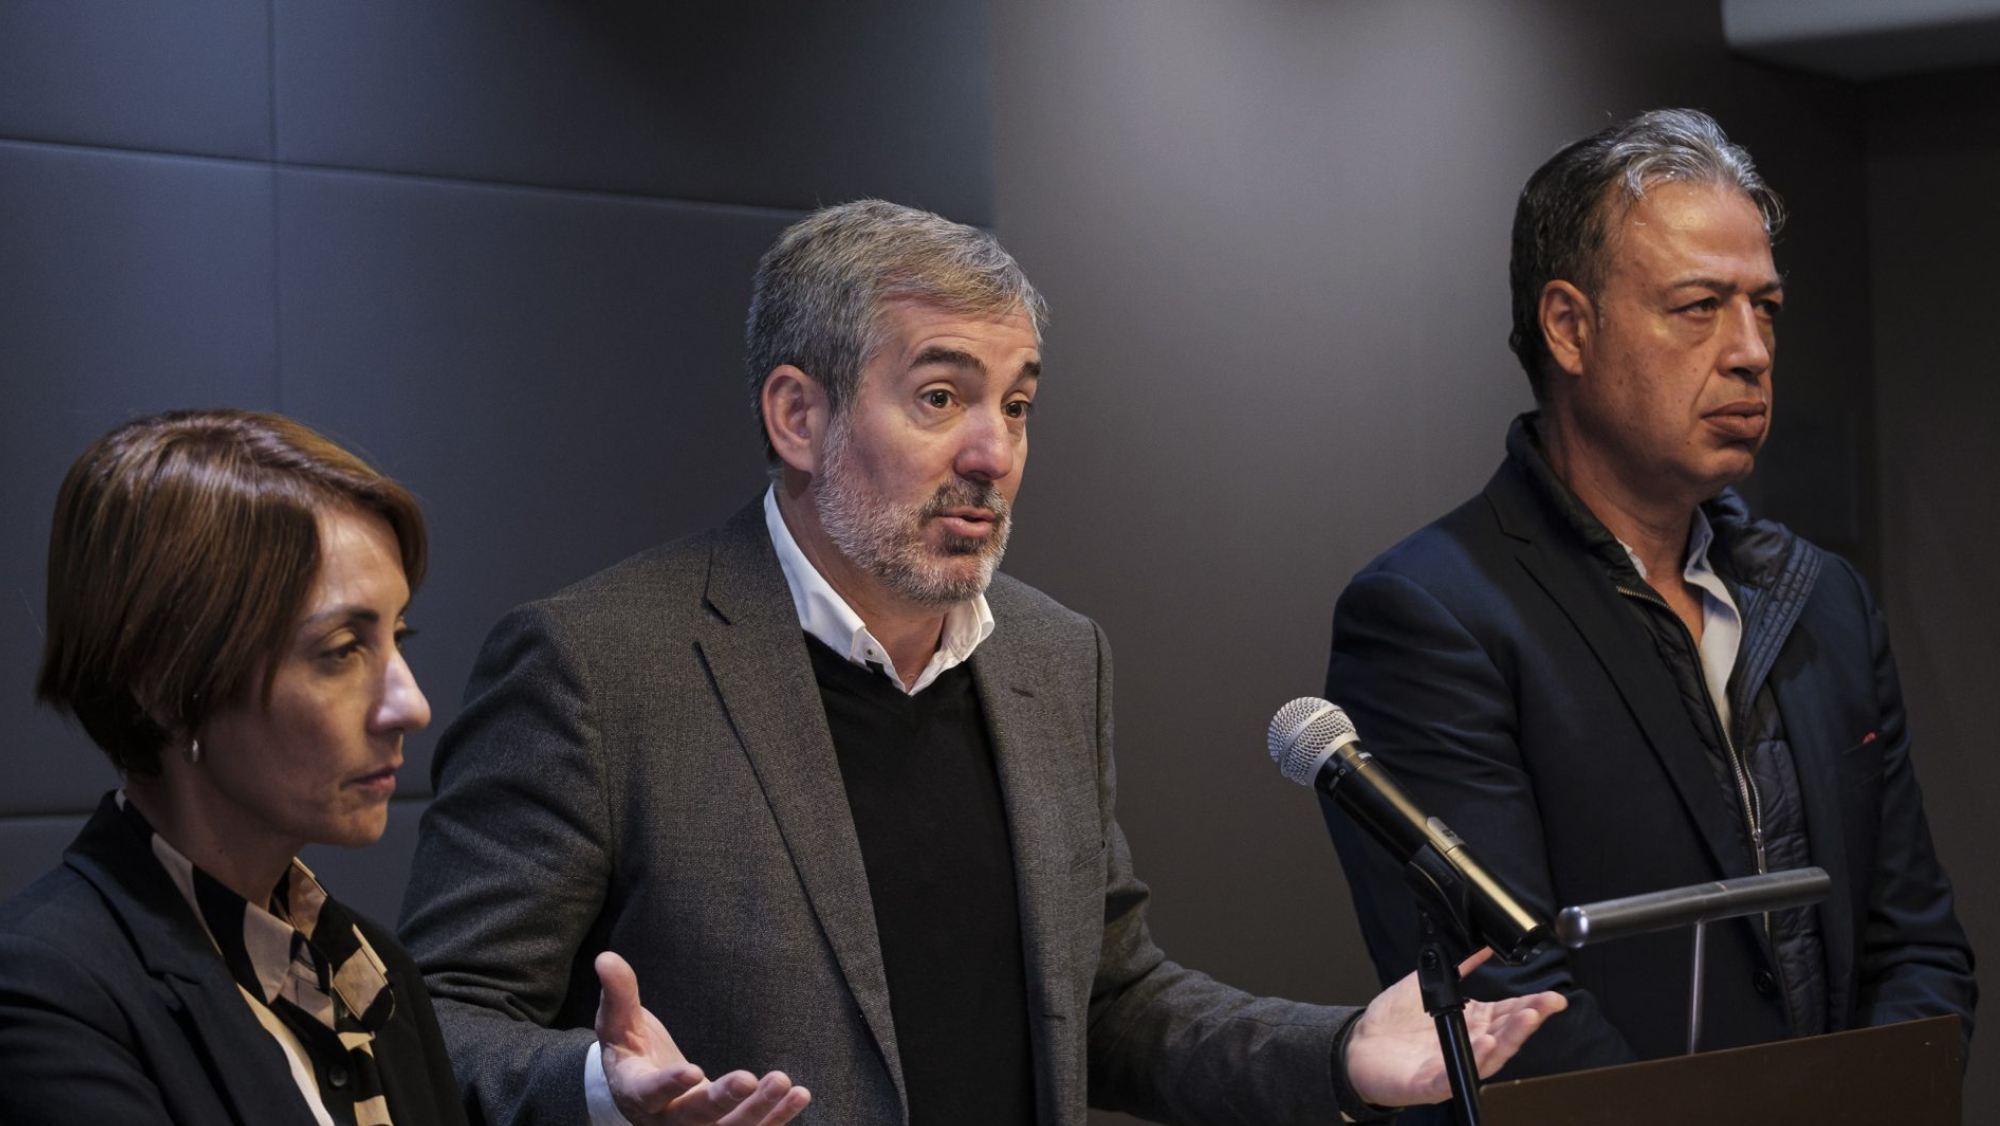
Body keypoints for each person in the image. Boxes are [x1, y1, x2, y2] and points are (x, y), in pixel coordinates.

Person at [398, 199, 1566, 1126]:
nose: (990, 452)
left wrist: (1339, 1053)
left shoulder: (1054, 659)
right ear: (796, 415)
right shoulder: (600, 667)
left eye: (1015, 404)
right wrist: (601, 1093)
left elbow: (1106, 1002)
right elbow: (437, 1021)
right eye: (940, 395)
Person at [1321, 108, 1977, 1106]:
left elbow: (1916, 944)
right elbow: (1508, 997)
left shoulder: (1822, 597)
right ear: (1567, 328)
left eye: (1765, 307)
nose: (1751, 350)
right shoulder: (1429, 614)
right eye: (1698, 306)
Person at [0, 409, 469, 1126]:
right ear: (163, 685)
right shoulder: (48, 992)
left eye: (397, 637)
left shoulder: (378, 969)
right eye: (343, 648)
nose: (411, 705)